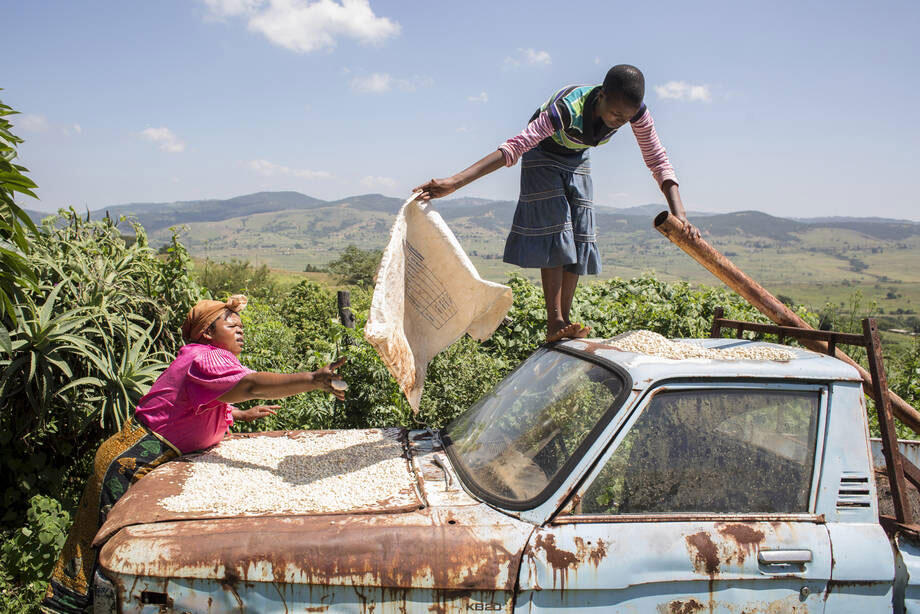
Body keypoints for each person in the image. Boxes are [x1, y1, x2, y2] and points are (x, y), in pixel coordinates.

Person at [41, 294, 346, 614]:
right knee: (102, 549)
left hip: (135, 454)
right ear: (206, 332)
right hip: (131, 461)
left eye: (241, 326)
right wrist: (311, 379)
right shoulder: (207, 358)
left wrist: (241, 415)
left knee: (99, 542)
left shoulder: (203, 356)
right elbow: (251, 385)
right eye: (231, 325)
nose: (240, 330)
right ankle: (71, 608)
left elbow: (192, 406)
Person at [415, 64, 699, 343]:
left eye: (625, 118)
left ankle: (565, 317)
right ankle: (555, 320)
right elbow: (515, 147)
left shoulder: (636, 114)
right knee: (556, 225)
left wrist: (680, 214)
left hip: (576, 154)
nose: (619, 121)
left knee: (581, 231)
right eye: (615, 114)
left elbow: (657, 159)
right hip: (542, 152)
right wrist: (455, 182)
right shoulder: (566, 110)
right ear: (601, 96)